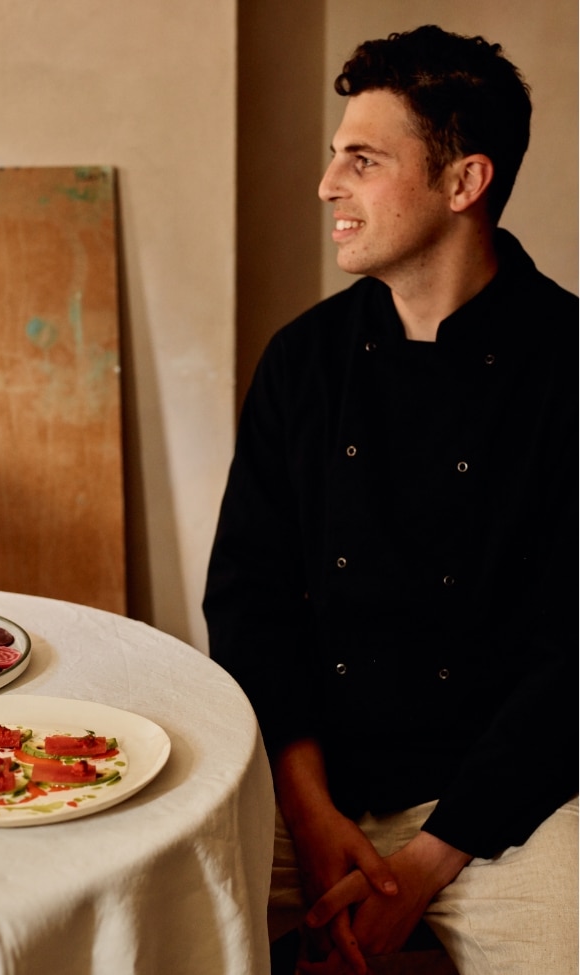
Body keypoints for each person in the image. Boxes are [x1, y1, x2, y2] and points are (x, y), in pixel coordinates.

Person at [203, 24, 578, 975]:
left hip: (513, 799)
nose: (327, 184)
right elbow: (249, 598)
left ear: (464, 182)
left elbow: (572, 657)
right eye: (337, 156)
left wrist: (426, 863)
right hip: (311, 778)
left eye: (362, 161)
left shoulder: (567, 365)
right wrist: (308, 808)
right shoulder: (303, 360)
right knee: (151, 909)